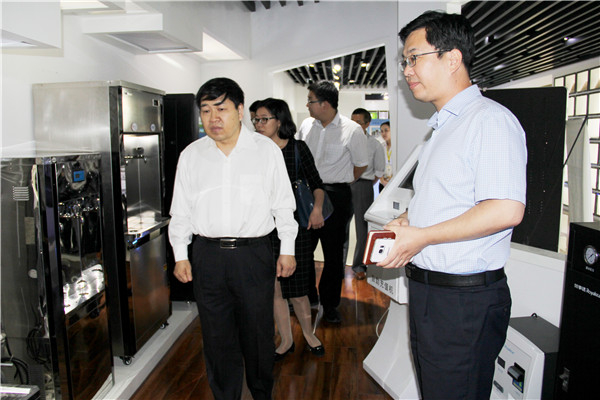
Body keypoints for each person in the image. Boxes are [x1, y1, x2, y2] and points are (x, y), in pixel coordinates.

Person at [378, 11, 527, 400]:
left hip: (463, 301)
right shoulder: (444, 127)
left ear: (452, 58)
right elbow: (449, 200)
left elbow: (506, 209)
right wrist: (408, 219)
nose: (406, 71)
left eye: (414, 58)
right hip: (432, 293)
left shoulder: (489, 121)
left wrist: (423, 236)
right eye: (405, 61)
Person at [169, 78, 297, 400]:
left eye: (221, 109)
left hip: (253, 254)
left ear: (240, 111)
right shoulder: (191, 155)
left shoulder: (265, 150)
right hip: (207, 255)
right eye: (206, 110)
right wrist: (180, 254)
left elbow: (283, 205)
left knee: (258, 333)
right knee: (216, 336)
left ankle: (261, 393)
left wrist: (288, 249)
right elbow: (180, 211)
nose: (213, 118)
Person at [253, 98, 326, 360]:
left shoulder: (297, 148)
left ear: (279, 120)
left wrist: (317, 209)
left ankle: (309, 334)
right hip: (264, 228)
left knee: (298, 288)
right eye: (256, 120)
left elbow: (317, 184)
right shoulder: (254, 151)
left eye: (264, 119)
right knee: (274, 287)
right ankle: (285, 340)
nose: (258, 124)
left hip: (296, 227)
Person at [297, 80, 368, 324]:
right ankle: (308, 297)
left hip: (336, 196)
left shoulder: (352, 130)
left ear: (325, 104)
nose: (307, 105)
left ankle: (330, 304)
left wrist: (340, 182)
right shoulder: (306, 126)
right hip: (306, 196)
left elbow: (360, 165)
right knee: (303, 250)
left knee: (333, 254)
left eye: (310, 101)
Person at [349, 108, 385, 280]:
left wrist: (364, 184)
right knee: (339, 227)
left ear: (367, 124)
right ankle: (337, 266)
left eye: (358, 122)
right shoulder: (344, 141)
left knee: (362, 229)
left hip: (363, 185)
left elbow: (379, 171)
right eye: (352, 121)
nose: (354, 125)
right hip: (342, 185)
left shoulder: (375, 145)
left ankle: (359, 266)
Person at [378, 121, 393, 192]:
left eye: (386, 130)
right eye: (382, 131)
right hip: (382, 183)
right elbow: (378, 165)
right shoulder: (381, 147)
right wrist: (382, 180)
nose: (384, 133)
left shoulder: (397, 146)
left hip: (394, 182)